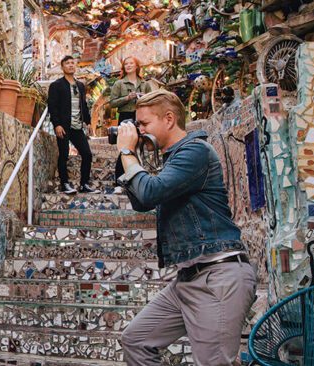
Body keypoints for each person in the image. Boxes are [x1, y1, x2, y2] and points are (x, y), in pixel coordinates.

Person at [115, 89, 256, 366]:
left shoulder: (195, 152)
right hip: (188, 278)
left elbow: (149, 192)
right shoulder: (173, 159)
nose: (139, 131)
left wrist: (127, 151)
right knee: (136, 340)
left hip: (217, 276)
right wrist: (126, 156)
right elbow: (142, 201)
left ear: (169, 119)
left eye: (144, 124)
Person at [47, 55, 93, 195]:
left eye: (73, 63)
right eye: (67, 63)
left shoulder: (80, 86)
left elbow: (83, 105)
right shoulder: (56, 85)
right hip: (63, 126)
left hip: (77, 126)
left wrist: (88, 122)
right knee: (64, 154)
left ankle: (84, 184)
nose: (71, 65)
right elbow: (52, 106)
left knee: (87, 154)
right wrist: (57, 124)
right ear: (62, 67)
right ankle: (64, 184)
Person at [108, 57, 153, 194]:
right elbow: (112, 103)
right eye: (126, 64)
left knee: (139, 148)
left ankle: (136, 183)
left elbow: (152, 101)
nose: (128, 65)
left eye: (131, 63)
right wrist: (128, 98)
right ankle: (119, 182)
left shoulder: (145, 84)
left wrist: (144, 98)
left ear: (137, 66)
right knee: (125, 148)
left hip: (141, 117)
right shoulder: (119, 83)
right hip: (125, 117)